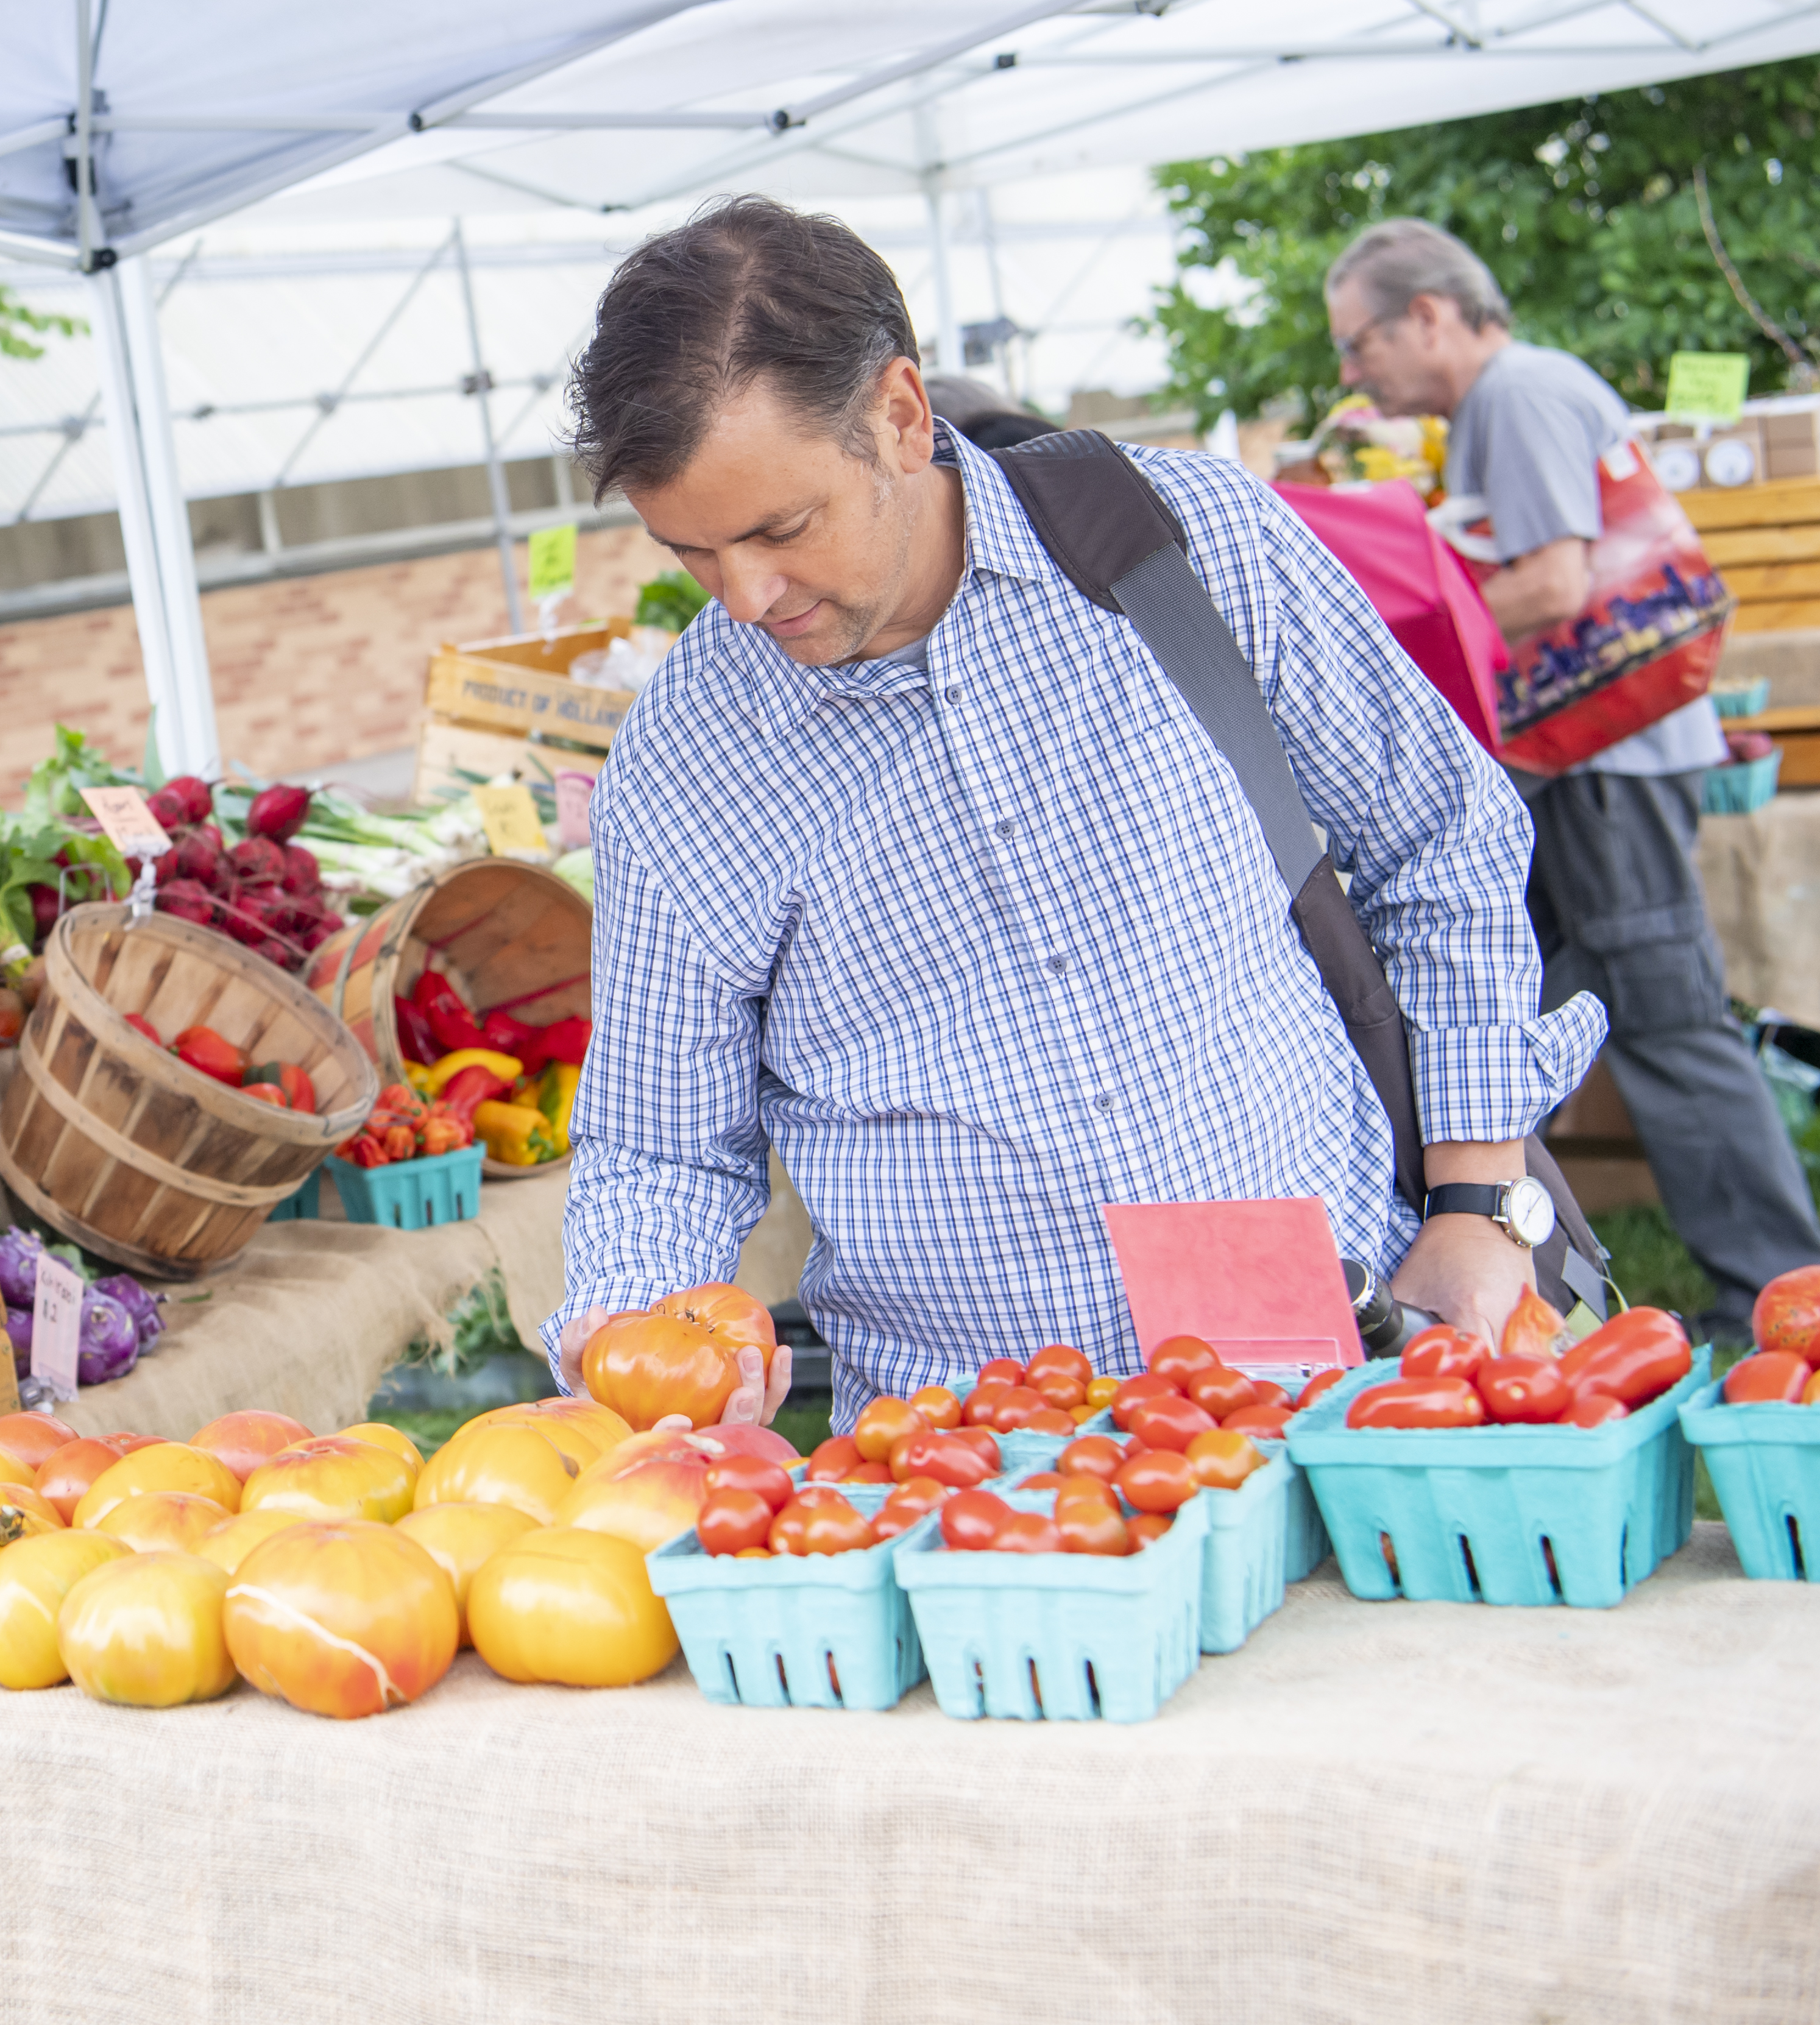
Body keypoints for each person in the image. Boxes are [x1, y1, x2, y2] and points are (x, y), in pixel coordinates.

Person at [547, 197, 1606, 1424]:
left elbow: (1442, 841)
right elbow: (660, 1142)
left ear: (898, 415)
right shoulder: (688, 761)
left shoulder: (1188, 545)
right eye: (693, 554)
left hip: (1342, 1366)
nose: (743, 598)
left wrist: (1478, 1208)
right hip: (972, 1461)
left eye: (781, 529)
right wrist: (636, 1338)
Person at [1322, 219, 1820, 1340]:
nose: (1353, 374)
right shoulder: (1516, 398)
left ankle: (1780, 1293)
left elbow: (1552, 586)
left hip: (1606, 763)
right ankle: (1533, 1254)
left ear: (1430, 315)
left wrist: (1387, 653)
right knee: (1540, 1006)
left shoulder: (1518, 396)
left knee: (1667, 1020)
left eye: (1361, 344)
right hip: (1593, 763)